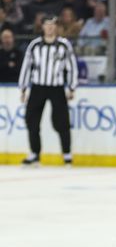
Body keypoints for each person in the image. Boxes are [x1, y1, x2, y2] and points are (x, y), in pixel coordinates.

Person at [18, 14, 78, 167]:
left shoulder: (64, 45)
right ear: (42, 26)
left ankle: (67, 154)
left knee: (61, 121)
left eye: (52, 24)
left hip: (56, 87)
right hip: (38, 86)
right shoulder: (35, 45)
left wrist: (71, 87)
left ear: (56, 27)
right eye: (47, 24)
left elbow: (71, 67)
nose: (50, 27)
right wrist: (23, 88)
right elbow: (27, 67)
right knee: (32, 120)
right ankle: (35, 154)